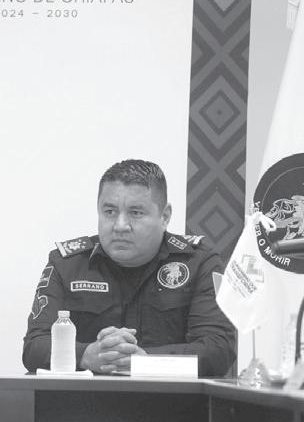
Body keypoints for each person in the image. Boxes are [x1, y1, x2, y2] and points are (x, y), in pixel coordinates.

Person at [22, 159, 236, 377]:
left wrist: (146, 362)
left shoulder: (199, 262)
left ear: (165, 216)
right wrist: (85, 355)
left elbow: (219, 349)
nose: (120, 225)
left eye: (136, 213)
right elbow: (34, 346)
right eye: (109, 211)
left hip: (168, 397)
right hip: (86, 397)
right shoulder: (67, 264)